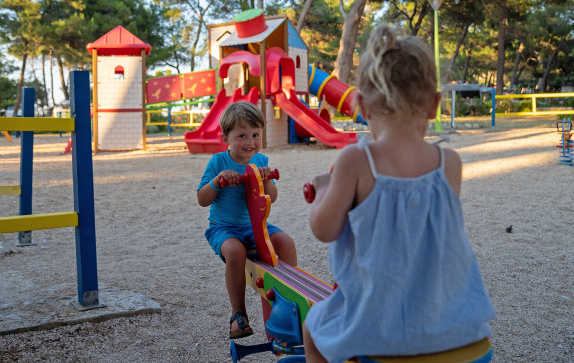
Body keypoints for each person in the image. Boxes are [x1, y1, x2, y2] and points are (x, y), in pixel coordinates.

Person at [302, 24, 495, 362]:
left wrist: (322, 191)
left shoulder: (356, 160)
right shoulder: (449, 164)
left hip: (384, 338)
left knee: (313, 327)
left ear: (362, 107)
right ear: (434, 105)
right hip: (463, 338)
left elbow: (324, 229)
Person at [197, 100, 297, 339]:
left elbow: (272, 198)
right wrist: (218, 181)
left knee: (286, 242)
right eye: (242, 136)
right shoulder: (218, 162)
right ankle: (238, 313)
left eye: (255, 135)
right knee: (235, 251)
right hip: (224, 227)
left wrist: (266, 180)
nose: (250, 142)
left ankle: (290, 300)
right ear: (226, 138)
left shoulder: (261, 161)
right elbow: (202, 199)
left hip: (255, 225)